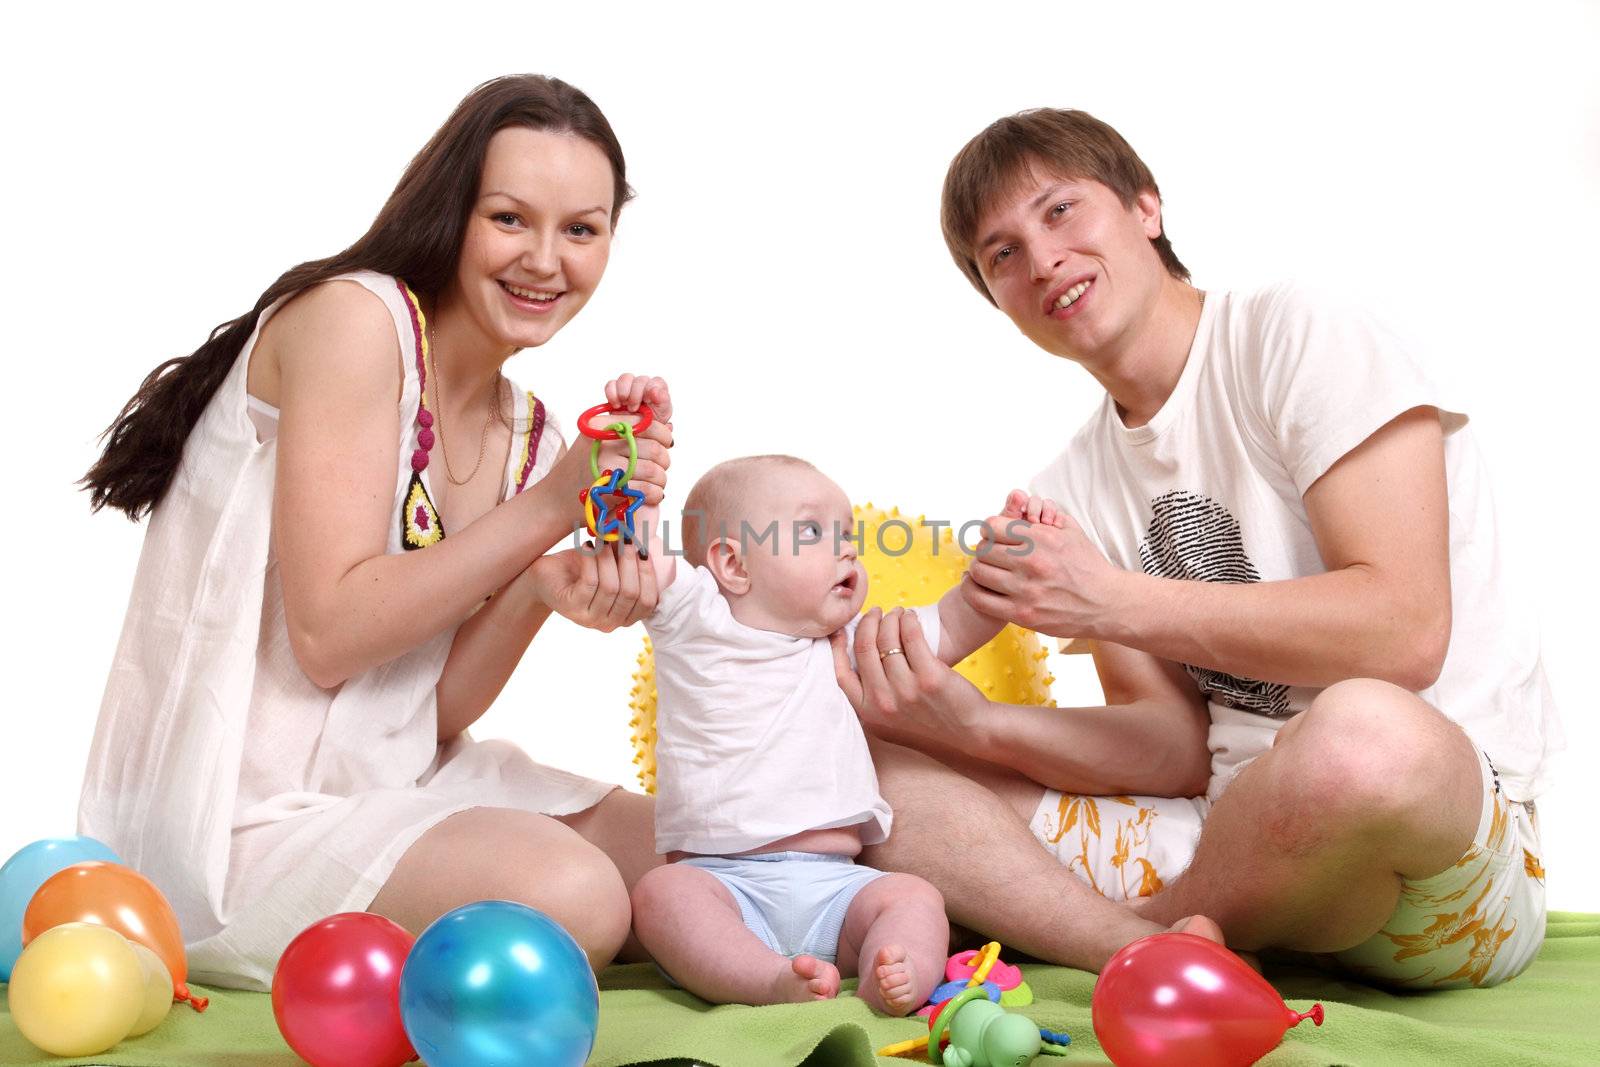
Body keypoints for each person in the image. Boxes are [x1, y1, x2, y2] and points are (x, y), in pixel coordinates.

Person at [837, 108, 1562, 989]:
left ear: (1146, 206)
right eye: (1003, 254)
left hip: (1436, 875)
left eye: (1061, 210)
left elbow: (1406, 632)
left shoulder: (1299, 332)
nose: (1042, 259)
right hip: (1224, 843)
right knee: (863, 776)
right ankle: (1160, 942)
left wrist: (1107, 599)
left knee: (1363, 735)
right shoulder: (1073, 484)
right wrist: (970, 723)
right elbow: (1172, 749)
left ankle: (1133, 938)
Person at [76, 75, 673, 990]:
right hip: (236, 826)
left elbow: (420, 713)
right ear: (450, 211)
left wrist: (542, 585)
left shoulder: (532, 436)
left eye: (581, 230)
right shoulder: (356, 322)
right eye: (510, 218)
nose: (546, 260)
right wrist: (554, 506)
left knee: (696, 853)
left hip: (394, 788)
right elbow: (330, 636)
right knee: (580, 896)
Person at [628, 455, 1016, 1013]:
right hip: (722, 881)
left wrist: (998, 566)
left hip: (836, 885)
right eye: (814, 531)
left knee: (914, 897)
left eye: (848, 533)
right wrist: (634, 454)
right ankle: (765, 979)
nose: (847, 548)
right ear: (733, 565)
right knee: (661, 897)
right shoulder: (695, 621)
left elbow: (951, 625)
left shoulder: (851, 643)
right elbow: (640, 544)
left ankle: (896, 969)